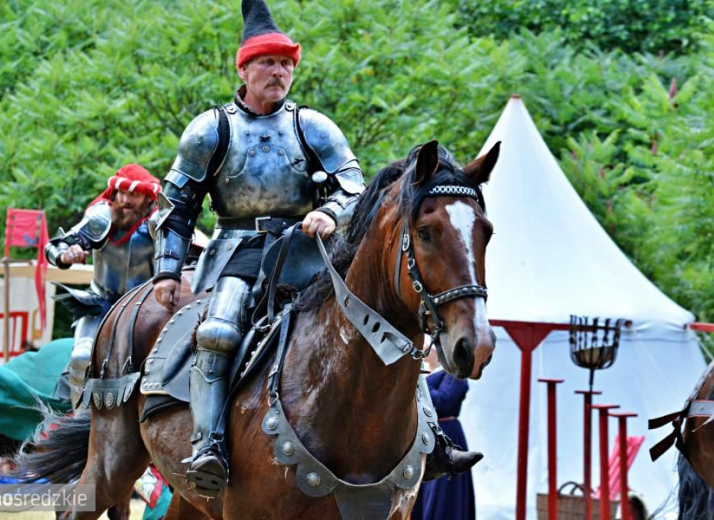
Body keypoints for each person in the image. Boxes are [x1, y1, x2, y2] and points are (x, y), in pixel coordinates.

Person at [151, 0, 481, 494]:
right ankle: (208, 445)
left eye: (286, 64)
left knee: (389, 322)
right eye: (268, 62)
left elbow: (355, 189)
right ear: (244, 67)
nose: (279, 72)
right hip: (237, 251)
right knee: (218, 330)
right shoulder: (210, 130)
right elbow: (176, 206)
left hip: (314, 254)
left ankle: (431, 438)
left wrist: (330, 213)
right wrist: (166, 271)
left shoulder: (313, 126)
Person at [45, 164, 161, 406]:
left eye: (133, 194)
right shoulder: (101, 217)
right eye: (121, 193)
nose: (125, 200)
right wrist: (66, 255)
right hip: (100, 305)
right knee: (81, 357)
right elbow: (54, 246)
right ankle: (77, 426)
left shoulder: (161, 222)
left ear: (147, 197)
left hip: (146, 310)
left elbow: (190, 256)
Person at [412, 349, 476, 520]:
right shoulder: (423, 376)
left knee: (442, 491)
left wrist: (419, 385)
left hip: (446, 435)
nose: (424, 351)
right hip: (423, 436)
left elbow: (444, 402)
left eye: (428, 348)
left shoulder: (455, 375)